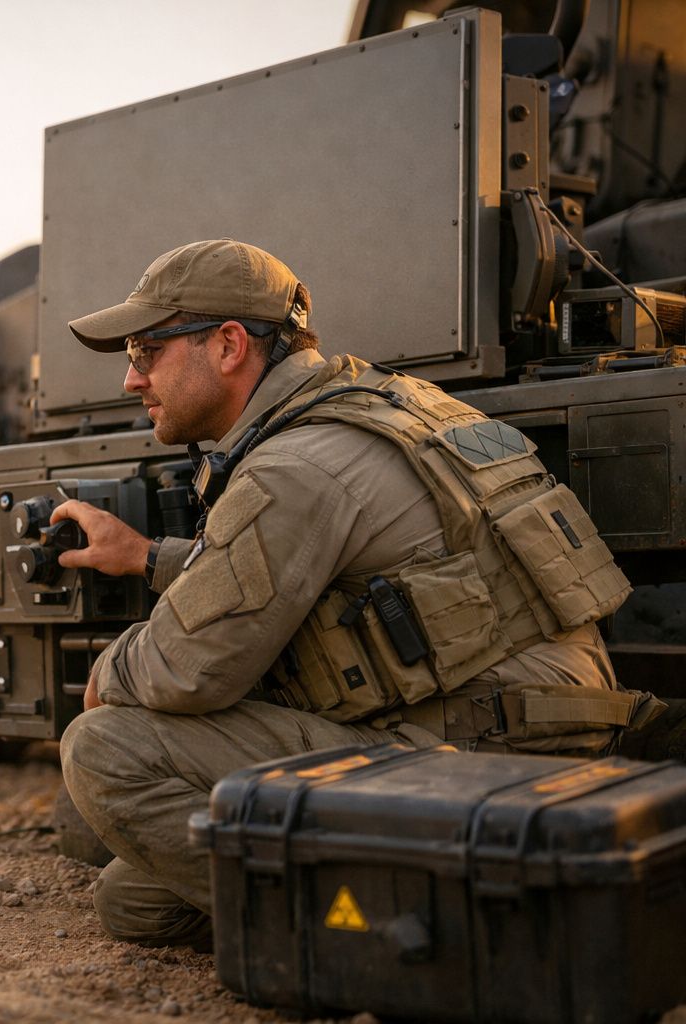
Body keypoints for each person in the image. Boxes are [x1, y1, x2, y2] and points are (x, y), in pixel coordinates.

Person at [49, 238, 664, 949]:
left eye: (143, 350)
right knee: (135, 900)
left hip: (481, 759)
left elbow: (189, 669)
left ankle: (387, 940)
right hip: (549, 732)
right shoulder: (385, 406)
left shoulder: (294, 467)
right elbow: (337, 575)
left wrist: (111, 670)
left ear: (226, 346)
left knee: (102, 746)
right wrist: (150, 557)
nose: (132, 380)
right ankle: (420, 901)